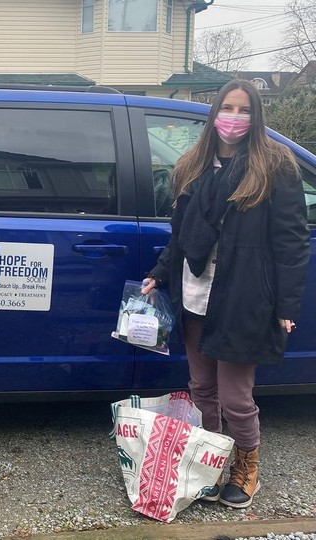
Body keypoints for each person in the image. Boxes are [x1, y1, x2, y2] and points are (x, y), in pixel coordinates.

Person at [142, 79, 309, 509]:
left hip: (243, 299)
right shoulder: (191, 166)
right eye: (227, 108)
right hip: (195, 295)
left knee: (236, 396)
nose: (234, 117)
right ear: (214, 113)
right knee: (202, 389)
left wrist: (287, 304)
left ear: (255, 116)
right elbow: (179, 238)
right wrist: (159, 275)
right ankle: (211, 463)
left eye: (243, 109)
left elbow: (292, 243)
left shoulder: (274, 167)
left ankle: (246, 466)